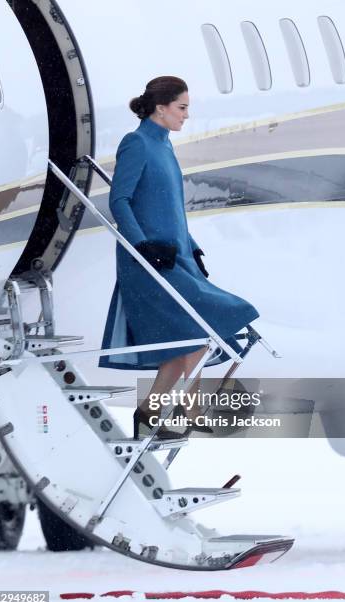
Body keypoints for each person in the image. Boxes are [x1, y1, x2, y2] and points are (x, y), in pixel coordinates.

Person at [98, 76, 259, 439]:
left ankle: (148, 414)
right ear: (161, 108)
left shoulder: (165, 146)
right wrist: (142, 246)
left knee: (178, 343)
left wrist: (193, 246)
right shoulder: (136, 143)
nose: (186, 116)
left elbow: (171, 209)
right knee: (196, 330)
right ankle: (192, 409)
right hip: (148, 260)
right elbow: (119, 200)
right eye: (182, 108)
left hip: (175, 256)